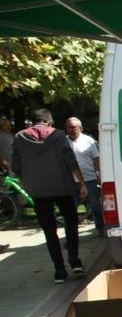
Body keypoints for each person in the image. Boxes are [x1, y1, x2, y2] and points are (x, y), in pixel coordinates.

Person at [12, 108, 87, 283]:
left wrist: (26, 185)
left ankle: (59, 270)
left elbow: (16, 166)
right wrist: (82, 183)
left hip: (38, 191)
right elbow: (71, 161)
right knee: (71, 223)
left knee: (49, 231)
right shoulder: (59, 136)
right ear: (49, 122)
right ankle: (75, 262)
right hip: (62, 187)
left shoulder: (20, 138)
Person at [65, 117, 104, 235]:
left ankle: (100, 229)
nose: (70, 130)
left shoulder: (89, 141)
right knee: (69, 210)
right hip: (71, 182)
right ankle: (71, 235)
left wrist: (99, 175)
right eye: (68, 128)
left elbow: (97, 159)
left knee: (96, 206)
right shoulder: (63, 141)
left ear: (80, 128)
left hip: (90, 179)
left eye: (73, 127)